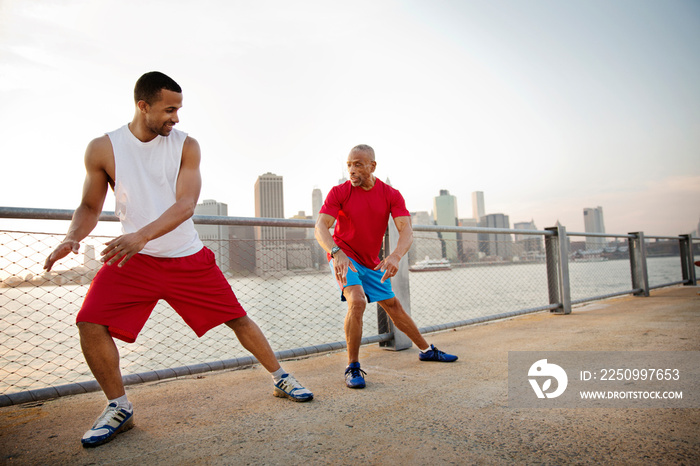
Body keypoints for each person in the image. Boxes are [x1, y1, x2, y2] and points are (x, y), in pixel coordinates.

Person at [44, 71, 313, 448]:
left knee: (237, 318)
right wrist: (72, 237)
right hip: (134, 260)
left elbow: (186, 204)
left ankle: (282, 377)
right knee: (89, 322)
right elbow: (90, 206)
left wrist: (141, 235)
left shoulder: (187, 145)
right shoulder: (103, 149)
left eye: (179, 109)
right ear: (143, 106)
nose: (176, 117)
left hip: (185, 256)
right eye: (169, 109)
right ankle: (119, 408)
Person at [314, 144, 457, 389]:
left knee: (393, 306)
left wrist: (395, 256)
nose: (352, 170)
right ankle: (353, 367)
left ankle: (425, 350)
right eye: (349, 164)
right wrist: (336, 253)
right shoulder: (339, 192)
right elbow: (320, 228)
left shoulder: (391, 194)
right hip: (343, 256)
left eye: (358, 164)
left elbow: (406, 230)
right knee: (357, 301)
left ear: (373, 166)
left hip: (372, 261)